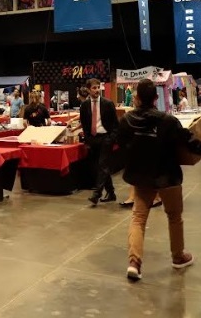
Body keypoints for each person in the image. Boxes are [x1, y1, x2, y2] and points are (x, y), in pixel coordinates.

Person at [118, 79, 201, 281]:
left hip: (141, 177)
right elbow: (189, 142)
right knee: (174, 217)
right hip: (168, 176)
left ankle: (134, 263)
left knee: (138, 218)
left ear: (136, 98)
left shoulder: (127, 120)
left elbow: (121, 143)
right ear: (156, 98)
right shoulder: (168, 121)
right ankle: (178, 257)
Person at [80, 78, 119, 206]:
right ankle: (111, 193)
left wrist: (112, 138)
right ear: (88, 89)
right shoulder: (84, 105)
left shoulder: (108, 103)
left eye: (98, 87)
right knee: (101, 167)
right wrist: (88, 139)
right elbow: (85, 125)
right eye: (94, 88)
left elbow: (115, 124)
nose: (97, 90)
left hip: (106, 138)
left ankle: (97, 194)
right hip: (93, 139)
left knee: (102, 165)